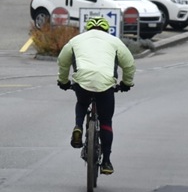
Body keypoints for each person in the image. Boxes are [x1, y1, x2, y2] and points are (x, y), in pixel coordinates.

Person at [56, 16, 135, 175]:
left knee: (82, 103)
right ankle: (106, 161)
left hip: (82, 81)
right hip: (105, 84)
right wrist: (126, 83)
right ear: (106, 29)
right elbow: (129, 64)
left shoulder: (76, 40)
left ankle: (78, 126)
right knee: (106, 120)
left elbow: (63, 61)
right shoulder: (114, 41)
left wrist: (63, 81)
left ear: (88, 29)